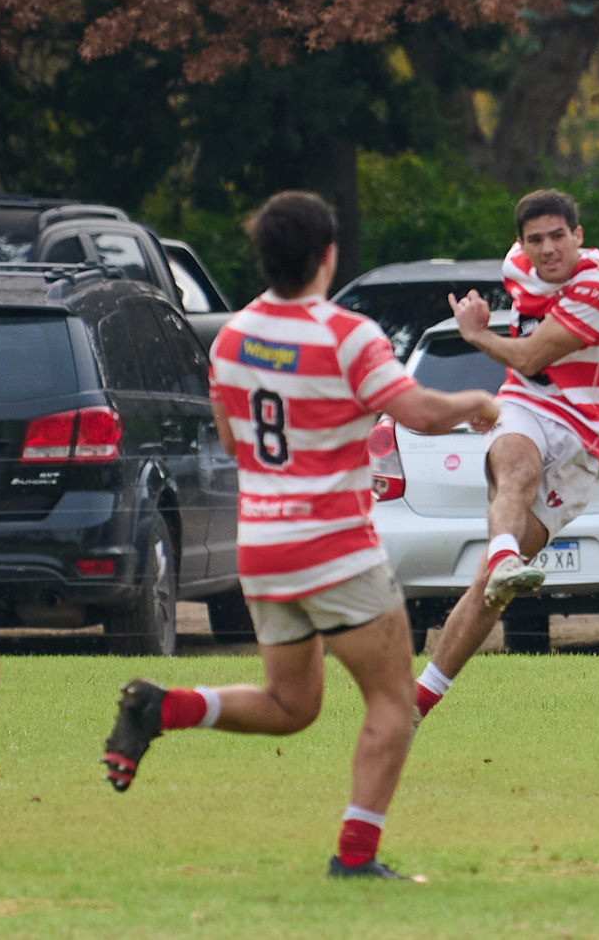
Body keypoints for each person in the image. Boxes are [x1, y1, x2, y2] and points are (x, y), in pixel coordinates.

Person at [99, 191, 499, 881]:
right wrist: (477, 402)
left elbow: (233, 437)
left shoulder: (233, 337)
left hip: (264, 546)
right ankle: (356, 857)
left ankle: (163, 707)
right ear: (327, 256)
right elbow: (420, 413)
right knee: (393, 701)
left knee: (293, 706)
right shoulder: (348, 334)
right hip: (334, 542)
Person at [414, 190, 599, 723]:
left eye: (559, 235)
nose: (548, 249)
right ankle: (502, 556)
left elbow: (533, 353)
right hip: (526, 403)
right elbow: (528, 368)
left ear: (579, 236)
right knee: (518, 470)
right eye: (536, 239)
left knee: (491, 594)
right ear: (521, 245)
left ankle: (420, 698)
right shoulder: (516, 266)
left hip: (586, 437)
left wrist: (475, 333)